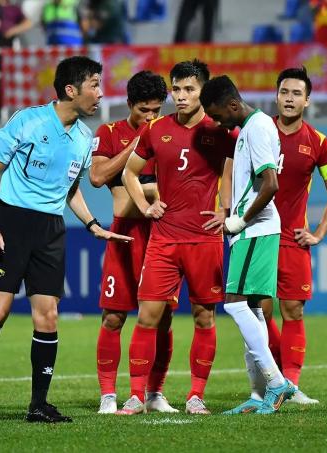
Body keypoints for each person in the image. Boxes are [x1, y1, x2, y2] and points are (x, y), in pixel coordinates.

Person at [0, 56, 133, 425]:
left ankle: (38, 404)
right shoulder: (28, 120)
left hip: (51, 229)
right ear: (71, 90)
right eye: (95, 85)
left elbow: (70, 189)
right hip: (11, 222)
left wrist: (91, 224)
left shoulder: (84, 138)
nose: (101, 94)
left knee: (49, 316)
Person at [116, 59, 235, 416]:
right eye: (177, 89)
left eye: (189, 89)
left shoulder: (222, 131)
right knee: (147, 316)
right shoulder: (156, 129)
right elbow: (129, 173)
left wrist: (226, 212)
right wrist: (145, 205)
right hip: (164, 240)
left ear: (203, 92)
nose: (181, 96)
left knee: (204, 317)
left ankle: (196, 396)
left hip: (204, 239)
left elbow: (232, 176)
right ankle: (137, 396)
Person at [200, 75, 296, 415]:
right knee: (252, 310)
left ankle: (276, 381)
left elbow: (271, 184)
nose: (216, 122)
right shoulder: (249, 129)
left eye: (217, 115)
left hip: (255, 230)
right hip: (249, 231)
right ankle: (259, 396)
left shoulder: (255, 128)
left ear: (233, 105)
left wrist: (238, 221)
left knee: (234, 304)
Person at [90, 70, 177, 414]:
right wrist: (135, 145)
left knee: (163, 317)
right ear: (129, 105)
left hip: (162, 236)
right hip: (125, 236)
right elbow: (98, 177)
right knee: (113, 317)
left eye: (156, 110)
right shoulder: (109, 133)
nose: (151, 117)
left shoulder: (170, 136)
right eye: (144, 110)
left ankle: (154, 393)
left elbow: (177, 188)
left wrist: (136, 189)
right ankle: (108, 395)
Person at [261, 67, 327, 405]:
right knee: (259, 312)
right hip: (258, 236)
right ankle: (277, 378)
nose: (290, 98)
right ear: (277, 96)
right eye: (285, 92)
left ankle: (290, 384)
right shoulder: (258, 132)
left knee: (293, 311)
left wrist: (319, 233)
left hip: (292, 238)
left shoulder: (319, 143)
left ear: (307, 100)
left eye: (297, 93)